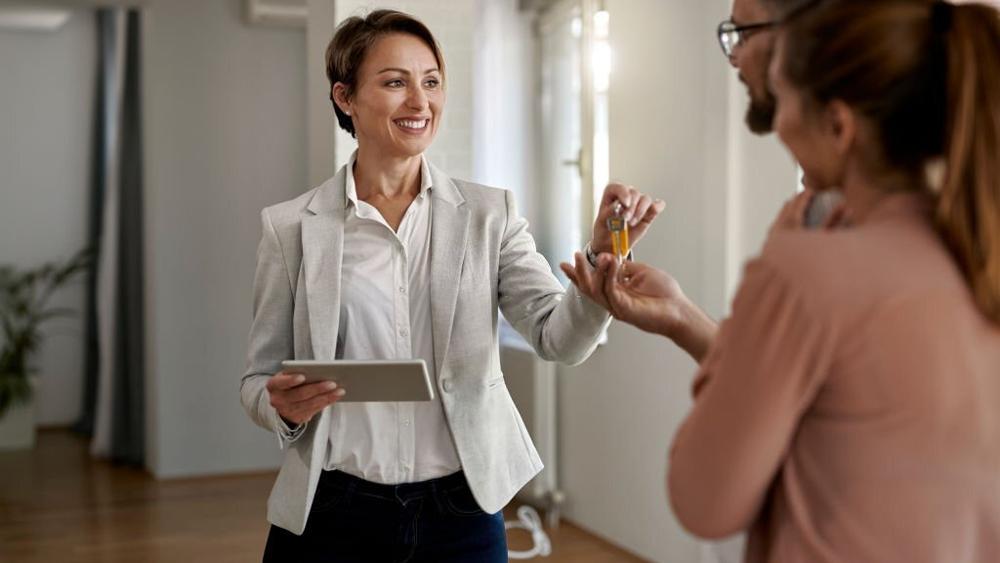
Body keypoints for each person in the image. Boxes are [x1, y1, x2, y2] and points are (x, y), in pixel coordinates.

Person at [574, 0, 1000, 560]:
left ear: (839, 125)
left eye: (785, 89)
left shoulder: (806, 264)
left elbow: (702, 500)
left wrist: (777, 268)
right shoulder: (974, 244)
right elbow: (844, 413)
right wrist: (683, 318)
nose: (777, 123)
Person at [239, 9, 664, 562]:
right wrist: (282, 407)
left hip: (459, 513)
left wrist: (601, 265)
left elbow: (560, 339)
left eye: (431, 82)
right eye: (395, 82)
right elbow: (258, 380)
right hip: (333, 508)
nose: (420, 102)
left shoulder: (490, 214)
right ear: (345, 97)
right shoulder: (291, 227)